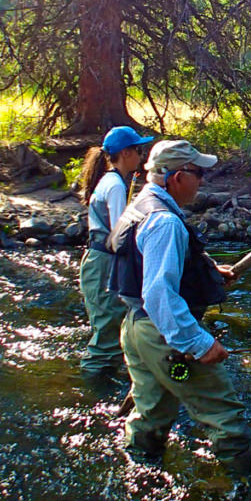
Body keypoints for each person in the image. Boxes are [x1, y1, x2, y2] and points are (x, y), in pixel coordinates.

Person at [108, 138, 251, 476]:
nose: (202, 180)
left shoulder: (142, 204)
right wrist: (201, 344)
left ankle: (139, 479)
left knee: (151, 417)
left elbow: (144, 263)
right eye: (198, 173)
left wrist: (205, 270)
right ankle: (246, 499)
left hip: (135, 329)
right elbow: (160, 294)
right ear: (176, 177)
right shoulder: (166, 222)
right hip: (164, 336)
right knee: (226, 418)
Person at [76, 125, 153, 379]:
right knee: (106, 338)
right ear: (127, 153)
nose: (142, 155)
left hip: (99, 261)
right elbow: (120, 232)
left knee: (107, 328)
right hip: (103, 264)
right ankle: (92, 390)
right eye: (138, 150)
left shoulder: (111, 180)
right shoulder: (116, 185)